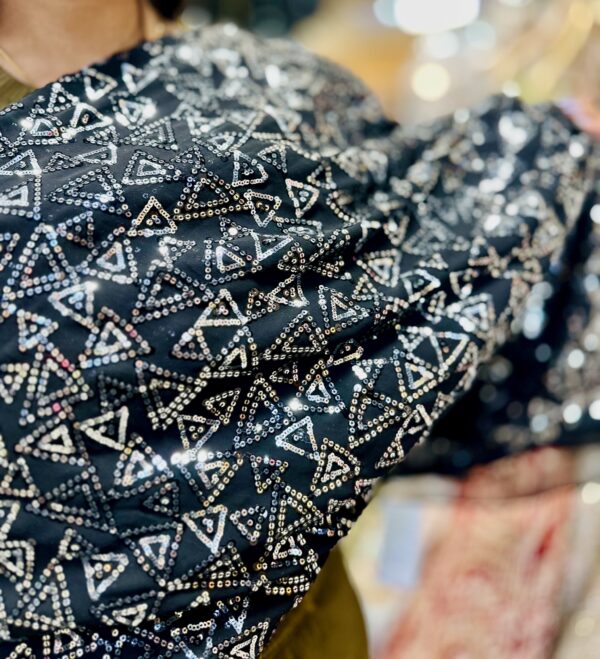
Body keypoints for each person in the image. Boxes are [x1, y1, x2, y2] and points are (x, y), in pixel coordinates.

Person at [0, 1, 596, 657]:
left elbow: (408, 242)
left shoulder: (258, 79)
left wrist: (550, 152)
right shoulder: (37, 195)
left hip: (311, 619)